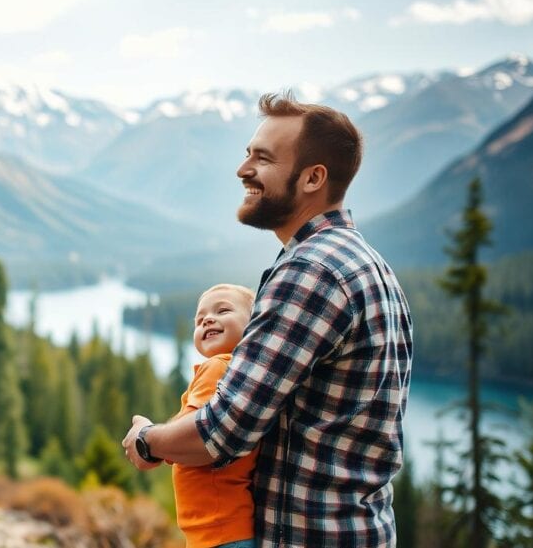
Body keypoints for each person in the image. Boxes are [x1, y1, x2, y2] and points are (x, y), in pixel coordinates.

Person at [122, 92, 413, 547]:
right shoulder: (367, 264)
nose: (243, 170)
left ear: (313, 177)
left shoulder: (311, 271)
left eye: (263, 158)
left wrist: (148, 440)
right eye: (247, 154)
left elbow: (223, 431)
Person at [165, 283, 259, 548]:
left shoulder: (217, 368)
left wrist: (148, 436)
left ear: (255, 324)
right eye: (199, 319)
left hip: (217, 530)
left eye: (223, 310)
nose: (207, 319)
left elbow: (187, 438)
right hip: (229, 528)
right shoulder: (243, 373)